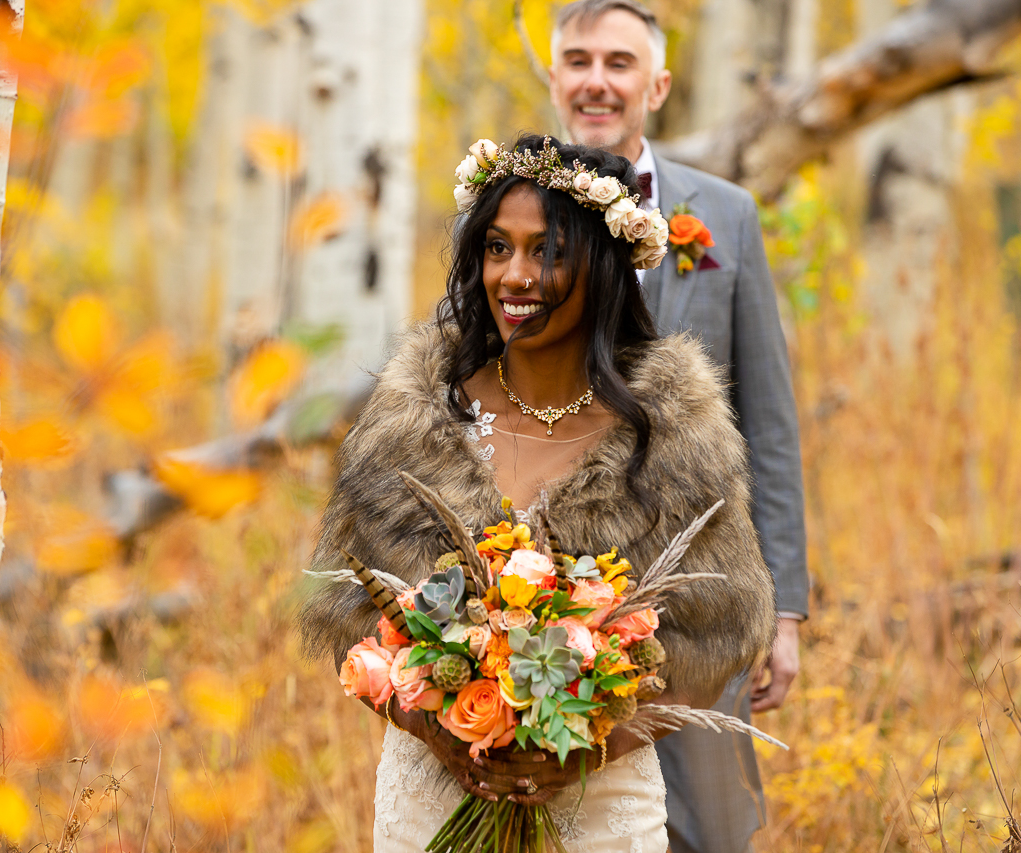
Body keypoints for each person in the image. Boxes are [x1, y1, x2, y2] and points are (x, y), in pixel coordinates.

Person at [298, 134, 776, 851]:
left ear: (603, 265)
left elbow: (721, 628)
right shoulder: (411, 416)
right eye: (497, 248)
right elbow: (344, 611)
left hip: (600, 801)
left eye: (547, 252)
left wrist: (586, 747)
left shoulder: (672, 433)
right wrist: (443, 728)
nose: (515, 276)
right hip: (433, 794)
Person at [548, 2, 810, 851]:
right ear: (554, 77)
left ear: (656, 85)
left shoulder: (723, 216)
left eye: (618, 63)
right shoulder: (505, 213)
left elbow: (766, 421)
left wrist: (786, 609)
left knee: (709, 826)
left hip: (702, 593)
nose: (596, 80)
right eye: (578, 59)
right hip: (543, 587)